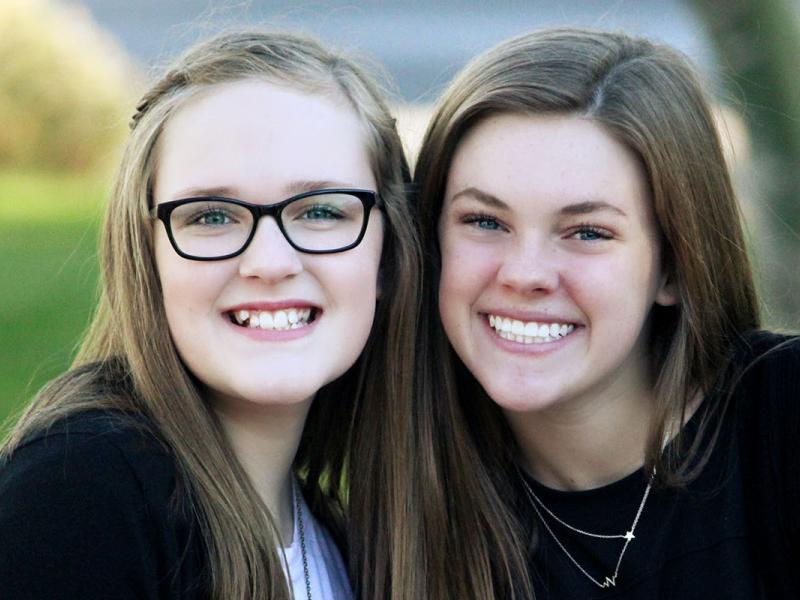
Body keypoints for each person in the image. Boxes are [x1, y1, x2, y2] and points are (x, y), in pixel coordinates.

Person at [0, 30, 421, 600]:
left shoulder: (341, 542)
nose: (270, 262)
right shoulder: (80, 495)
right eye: (212, 217)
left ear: (388, 256)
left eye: (321, 210)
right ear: (146, 256)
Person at [413, 28, 800, 599]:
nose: (524, 274)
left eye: (588, 232)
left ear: (672, 266)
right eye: (485, 222)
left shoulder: (782, 415)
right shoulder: (406, 512)